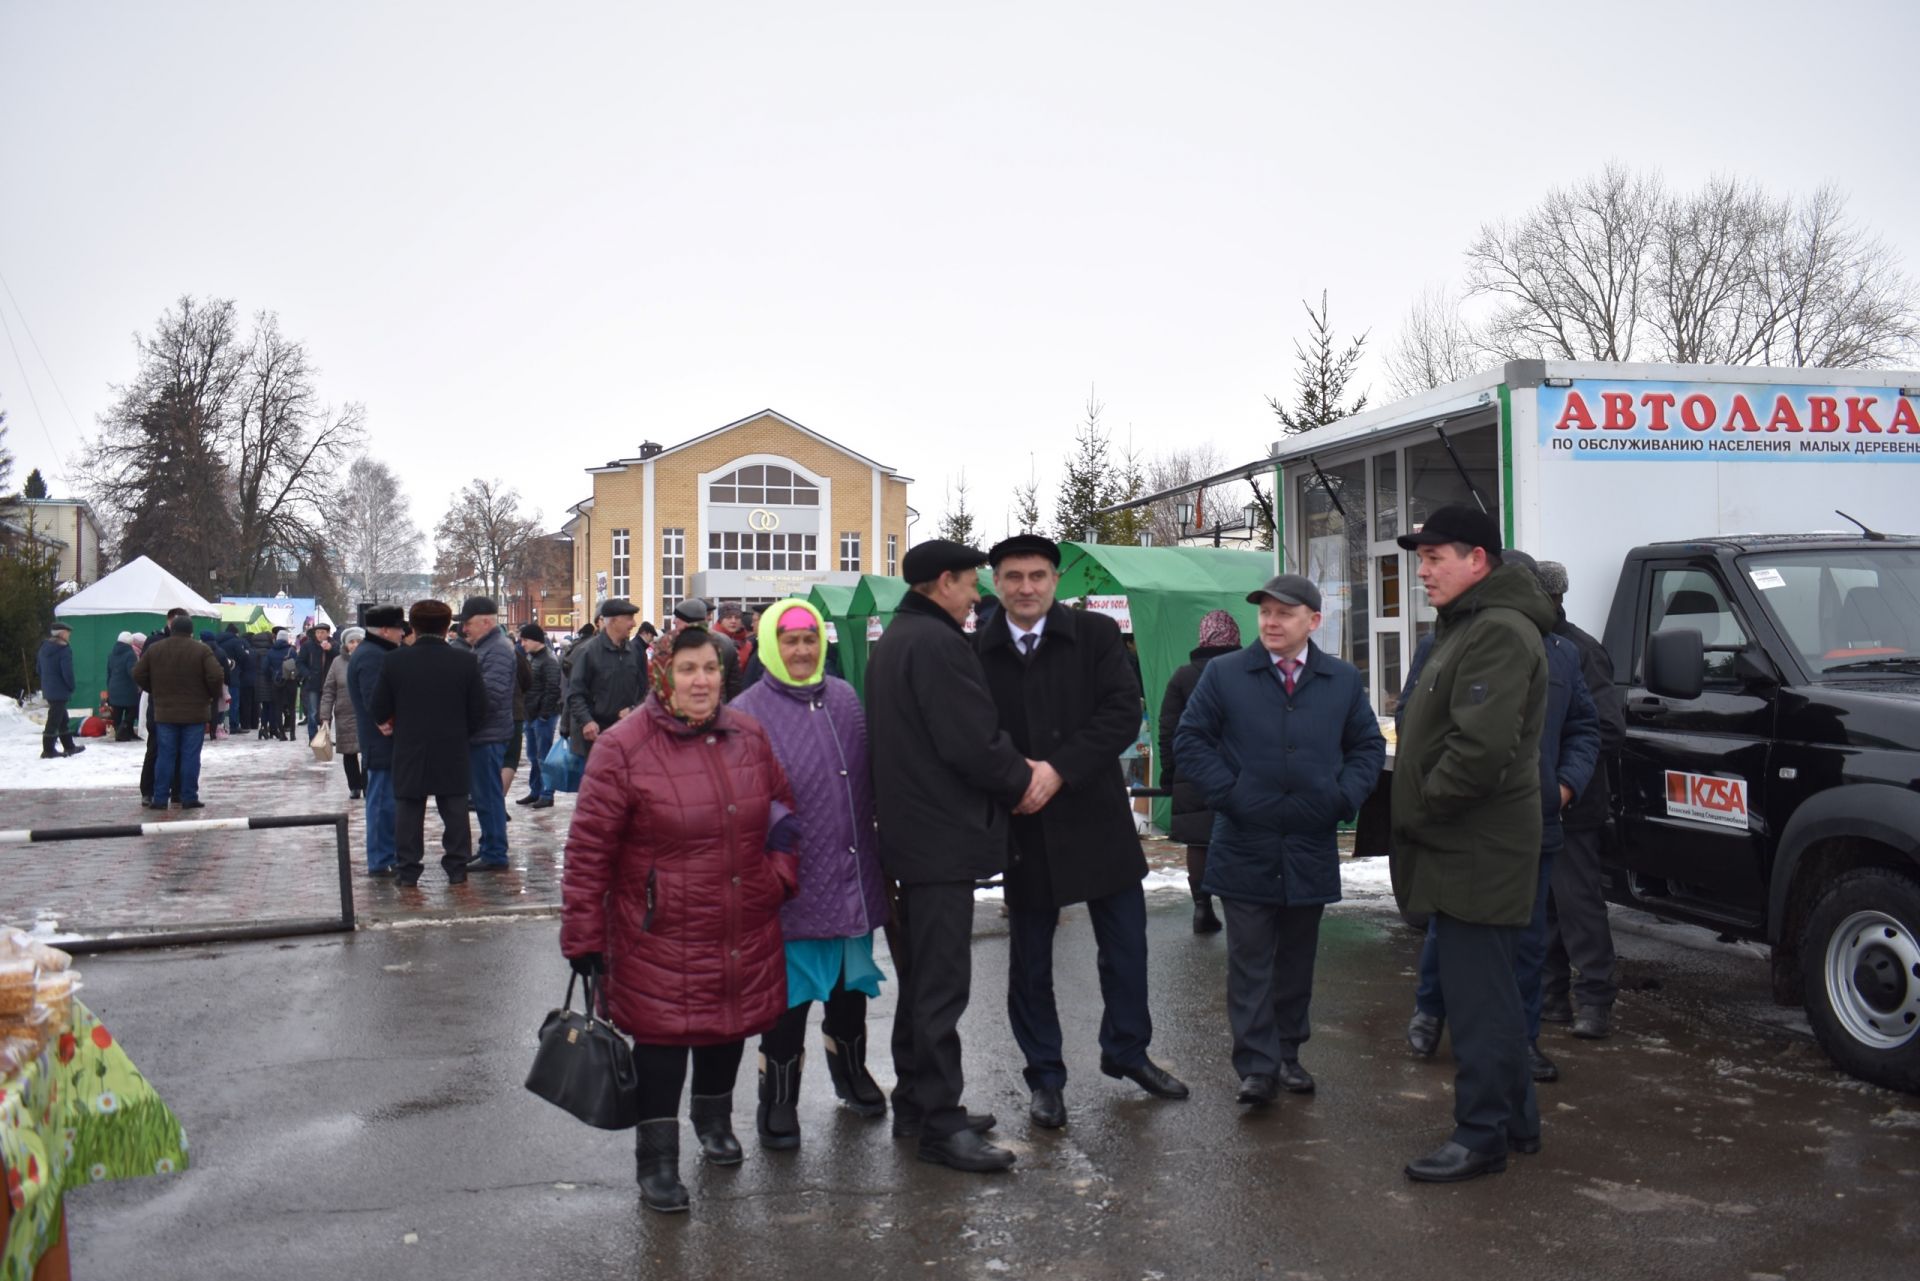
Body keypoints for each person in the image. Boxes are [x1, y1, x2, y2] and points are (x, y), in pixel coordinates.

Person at [560, 626, 800, 1213]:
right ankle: (658, 1161)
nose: (701, 680)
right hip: (658, 928)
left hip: (741, 918)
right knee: (663, 1044)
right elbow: (589, 850)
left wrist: (779, 877)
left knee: (728, 1028)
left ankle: (713, 1121)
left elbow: (783, 812)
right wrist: (583, 936)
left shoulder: (748, 733)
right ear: (663, 674)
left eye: (711, 669)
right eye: (688, 668)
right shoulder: (623, 747)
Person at [976, 534, 1189, 1130]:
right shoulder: (977, 651)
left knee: (1125, 948)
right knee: (1030, 960)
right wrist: (1017, 777)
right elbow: (973, 729)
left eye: (1038, 576)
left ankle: (1127, 1050)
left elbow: (1122, 710)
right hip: (1025, 821)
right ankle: (1045, 1076)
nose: (1026, 587)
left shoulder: (1093, 636)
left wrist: (1060, 769)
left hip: (1094, 817)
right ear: (997, 582)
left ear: (1055, 581)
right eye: (1014, 576)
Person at [1174, 574, 1385, 1105]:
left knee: (1295, 957)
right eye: (1265, 612)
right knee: (1249, 959)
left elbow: (1366, 746)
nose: (1270, 621)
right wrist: (1232, 794)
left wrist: (1342, 798)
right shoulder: (1225, 674)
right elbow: (1190, 740)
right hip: (1244, 838)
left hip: (1309, 840)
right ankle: (1257, 1066)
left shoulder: (1339, 679)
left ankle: (1289, 1054)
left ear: (1313, 622)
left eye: (1284, 613)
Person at [1389, 505, 1551, 1183]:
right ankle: (1516, 1120)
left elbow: (1480, 750)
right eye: (1420, 558)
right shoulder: (1466, 626)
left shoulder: (1499, 632)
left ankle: (1480, 1133)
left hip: (1475, 846)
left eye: (1434, 558)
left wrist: (1421, 810)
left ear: (1477, 559)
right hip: (1464, 844)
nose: (1421, 571)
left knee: (1478, 1001)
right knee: (1492, 995)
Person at [866, 539, 1034, 1174]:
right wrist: (1024, 781)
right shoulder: (936, 644)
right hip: (939, 837)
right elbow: (970, 742)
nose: (976, 596)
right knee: (941, 986)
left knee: (923, 982)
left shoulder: (901, 638)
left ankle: (916, 1103)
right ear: (943, 583)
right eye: (970, 584)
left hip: (915, 834)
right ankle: (940, 1123)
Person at [1404, 550, 1598, 1085]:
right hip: (1464, 821)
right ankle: (1430, 1009)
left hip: (1535, 822)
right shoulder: (1439, 646)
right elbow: (1412, 720)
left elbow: (1585, 726)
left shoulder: (1562, 654)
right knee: (1452, 926)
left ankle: (1523, 1040)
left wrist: (1563, 786)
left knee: (1528, 938)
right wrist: (1438, 790)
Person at [732, 599, 890, 1149]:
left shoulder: (845, 699)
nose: (801, 650)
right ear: (773, 645)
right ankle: (778, 1099)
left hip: (851, 872)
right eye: (790, 640)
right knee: (788, 1002)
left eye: (809, 640)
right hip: (791, 884)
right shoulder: (748, 709)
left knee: (849, 994)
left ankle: (852, 1074)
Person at [1536, 560, 1627, 1041]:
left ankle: (1595, 1000)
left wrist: (1561, 782)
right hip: (1535, 805)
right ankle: (1553, 998)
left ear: (1552, 598)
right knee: (1547, 909)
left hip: (1575, 807)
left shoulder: (1580, 650)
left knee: (1578, 907)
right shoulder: (1529, 645)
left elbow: (1608, 728)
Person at [369, 600, 488, 888]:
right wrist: (462, 731)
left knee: (409, 811)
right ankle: (457, 867)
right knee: (455, 810)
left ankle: (408, 869)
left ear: (414, 626)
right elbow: (480, 710)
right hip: (453, 745)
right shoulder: (465, 661)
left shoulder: (395, 660)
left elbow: (378, 707)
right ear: (448, 627)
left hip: (410, 745)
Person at [1157, 609, 1244, 934]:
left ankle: (1202, 908)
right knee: (1241, 838)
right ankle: (1241, 910)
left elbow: (1168, 730)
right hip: (1239, 771)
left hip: (1192, 772)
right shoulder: (1247, 671)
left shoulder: (1182, 677)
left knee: (1200, 843)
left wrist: (1169, 772)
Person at [133, 616, 226, 810]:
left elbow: (138, 673)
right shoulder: (201, 650)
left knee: (165, 755)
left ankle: (159, 798)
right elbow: (216, 675)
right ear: (191, 631)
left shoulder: (155, 649)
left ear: (171, 629)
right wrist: (210, 694)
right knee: (190, 756)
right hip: (195, 713)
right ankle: (188, 796)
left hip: (165, 712)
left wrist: (154, 689)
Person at [455, 597, 516, 871]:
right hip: (483, 733)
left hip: (487, 734)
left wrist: (462, 714)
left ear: (486, 621)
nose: (465, 629)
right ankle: (490, 846)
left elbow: (490, 695)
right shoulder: (486, 647)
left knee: (488, 795)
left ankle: (494, 852)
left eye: (468, 624)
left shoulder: (498, 650)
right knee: (483, 795)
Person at [349, 606, 406, 877]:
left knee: (387, 803)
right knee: (382, 804)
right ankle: (381, 859)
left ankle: (387, 855)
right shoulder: (373, 656)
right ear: (385, 630)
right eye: (398, 628)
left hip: (384, 743)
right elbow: (377, 702)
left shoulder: (376, 653)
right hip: (381, 743)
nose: (403, 633)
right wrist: (389, 722)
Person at [565, 599, 645, 757]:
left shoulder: (634, 653)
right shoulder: (588, 652)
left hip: (626, 734)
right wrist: (587, 721)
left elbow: (645, 691)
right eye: (629, 618)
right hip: (595, 738)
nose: (634, 624)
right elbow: (575, 693)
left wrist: (634, 709)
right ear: (614, 621)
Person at [318, 626, 367, 800]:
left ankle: (368, 786)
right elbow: (329, 690)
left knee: (368, 752)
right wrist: (325, 716)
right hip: (345, 714)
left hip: (367, 714)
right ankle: (354, 786)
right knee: (349, 752)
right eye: (351, 642)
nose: (355, 645)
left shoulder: (370, 660)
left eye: (358, 641)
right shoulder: (338, 662)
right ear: (345, 645)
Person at [517, 623, 563, 808]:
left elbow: (552, 689)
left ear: (536, 640)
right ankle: (535, 790)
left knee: (544, 756)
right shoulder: (531, 657)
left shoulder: (549, 660)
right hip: (531, 714)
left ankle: (547, 793)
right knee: (533, 756)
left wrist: (544, 714)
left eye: (525, 640)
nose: (522, 643)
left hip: (543, 716)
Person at [36, 621, 82, 759]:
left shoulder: (44, 647)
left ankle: (69, 746)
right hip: (60, 689)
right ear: (62, 633)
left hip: (49, 687)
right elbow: (67, 672)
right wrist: (71, 686)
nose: (69, 636)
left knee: (62, 718)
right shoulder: (64, 649)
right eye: (68, 633)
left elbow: (38, 669)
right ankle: (48, 749)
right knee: (54, 719)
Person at [297, 623, 335, 741]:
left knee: (326, 713)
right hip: (312, 684)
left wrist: (331, 650)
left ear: (328, 633)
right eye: (318, 632)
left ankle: (325, 738)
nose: (320, 635)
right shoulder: (308, 645)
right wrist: (308, 675)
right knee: (312, 712)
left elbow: (339, 657)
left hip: (328, 684)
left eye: (323, 632)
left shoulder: (334, 644)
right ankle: (313, 738)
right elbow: (299, 662)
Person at [106, 631, 142, 742]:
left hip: (113, 687)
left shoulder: (112, 653)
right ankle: (124, 731)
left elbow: (109, 672)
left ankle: (123, 732)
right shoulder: (130, 654)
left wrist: (109, 686)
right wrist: (140, 683)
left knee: (117, 712)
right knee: (133, 710)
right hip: (128, 689)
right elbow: (132, 672)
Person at [219, 624, 254, 733]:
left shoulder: (218, 640)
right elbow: (243, 657)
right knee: (233, 702)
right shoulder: (236, 641)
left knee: (221, 703)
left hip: (219, 675)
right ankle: (233, 725)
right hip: (233, 675)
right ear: (236, 633)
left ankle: (221, 725)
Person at [267, 629, 299, 740]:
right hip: (290, 681)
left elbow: (265, 668)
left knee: (278, 708)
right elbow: (297, 665)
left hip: (276, 682)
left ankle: (281, 734)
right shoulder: (292, 651)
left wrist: (273, 674)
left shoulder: (270, 651)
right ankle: (292, 734)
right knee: (292, 708)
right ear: (286, 639)